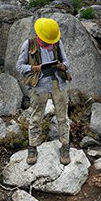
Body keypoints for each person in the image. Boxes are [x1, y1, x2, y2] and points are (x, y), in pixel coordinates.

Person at [16, 17, 72, 165]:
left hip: (57, 83)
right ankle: (33, 147)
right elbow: (19, 66)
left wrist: (61, 66)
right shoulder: (28, 44)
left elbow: (67, 62)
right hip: (39, 84)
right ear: (38, 35)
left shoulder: (57, 43)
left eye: (50, 41)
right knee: (36, 117)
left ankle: (65, 146)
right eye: (47, 41)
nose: (49, 44)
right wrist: (34, 68)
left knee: (62, 117)